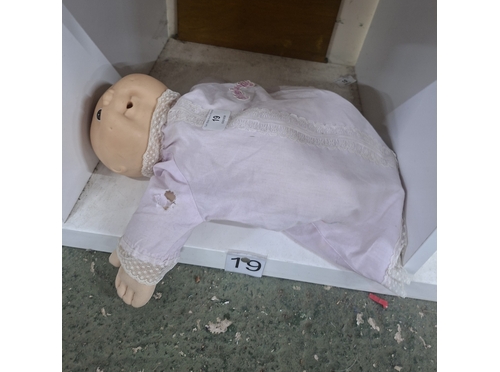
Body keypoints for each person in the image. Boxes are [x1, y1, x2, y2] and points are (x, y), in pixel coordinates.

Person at [90, 74, 408, 307]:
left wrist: (136, 269)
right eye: (103, 115)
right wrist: (130, 252)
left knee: (313, 175)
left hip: (295, 132)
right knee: (309, 176)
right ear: (121, 167)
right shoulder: (179, 162)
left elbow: (156, 223)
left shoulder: (178, 173)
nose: (111, 99)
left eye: (115, 92)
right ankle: (359, 177)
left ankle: (362, 194)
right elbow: (155, 218)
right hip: (301, 149)